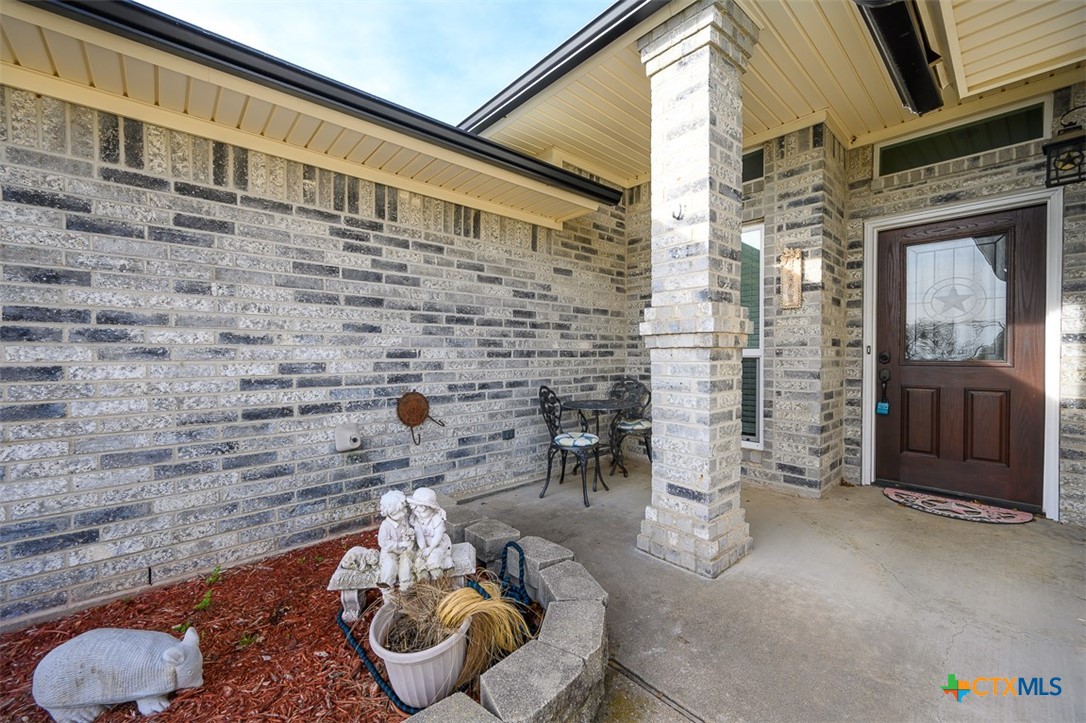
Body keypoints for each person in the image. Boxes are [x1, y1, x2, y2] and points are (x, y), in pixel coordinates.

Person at [407, 488, 453, 580]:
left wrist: (431, 548)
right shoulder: (417, 519)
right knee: (418, 561)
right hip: (423, 546)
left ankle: (437, 581)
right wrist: (423, 549)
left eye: (422, 511)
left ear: (431, 509)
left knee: (434, 559)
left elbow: (438, 535)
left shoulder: (436, 519)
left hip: (437, 544)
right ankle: (424, 582)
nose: (418, 513)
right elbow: (419, 535)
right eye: (416, 510)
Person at [377, 490, 415, 589]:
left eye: (404, 509)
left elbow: (409, 530)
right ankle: (388, 594)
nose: (404, 513)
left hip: (404, 550)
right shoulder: (385, 526)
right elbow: (383, 542)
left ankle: (405, 590)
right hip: (390, 551)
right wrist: (400, 544)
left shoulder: (404, 519)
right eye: (400, 511)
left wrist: (410, 537)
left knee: (406, 566)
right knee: (389, 567)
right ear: (390, 512)